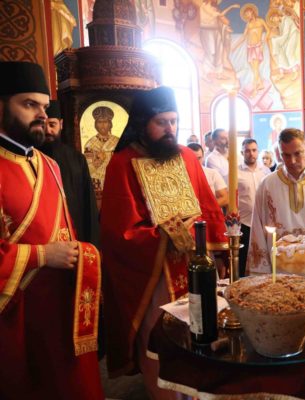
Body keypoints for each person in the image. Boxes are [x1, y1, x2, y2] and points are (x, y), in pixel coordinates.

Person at [100, 87, 227, 397]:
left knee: (201, 329)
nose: (170, 129)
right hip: (154, 273)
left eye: (174, 121)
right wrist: (165, 235)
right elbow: (119, 232)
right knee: (159, 337)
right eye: (161, 122)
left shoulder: (186, 156)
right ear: (142, 123)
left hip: (195, 264)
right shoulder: (122, 163)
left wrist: (220, 251)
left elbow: (208, 206)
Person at [0, 61, 103, 399]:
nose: (42, 115)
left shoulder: (50, 165)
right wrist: (43, 255)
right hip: (15, 316)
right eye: (29, 104)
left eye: (44, 107)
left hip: (61, 308)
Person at [248, 128, 305, 273]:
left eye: (297, 153)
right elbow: (257, 229)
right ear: (279, 154)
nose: (292, 161)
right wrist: (261, 271)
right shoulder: (267, 185)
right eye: (286, 155)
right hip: (280, 271)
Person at [38, 100, 99, 246]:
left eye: (52, 124)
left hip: (76, 233)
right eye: (43, 125)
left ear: (61, 124)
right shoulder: (31, 158)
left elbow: (88, 202)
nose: (48, 130)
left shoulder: (77, 159)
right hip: (45, 239)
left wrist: (93, 243)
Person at [238, 138, 270, 276]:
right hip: (245, 222)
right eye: (247, 151)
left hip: (264, 222)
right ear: (242, 152)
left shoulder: (266, 171)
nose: (251, 153)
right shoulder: (235, 172)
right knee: (243, 258)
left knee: (264, 257)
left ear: (258, 151)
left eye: (254, 150)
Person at [188, 143, 229, 207]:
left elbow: (225, 198)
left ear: (203, 157)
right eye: (192, 158)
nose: (196, 162)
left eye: (199, 158)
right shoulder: (179, 176)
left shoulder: (212, 173)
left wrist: (205, 209)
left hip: (210, 212)